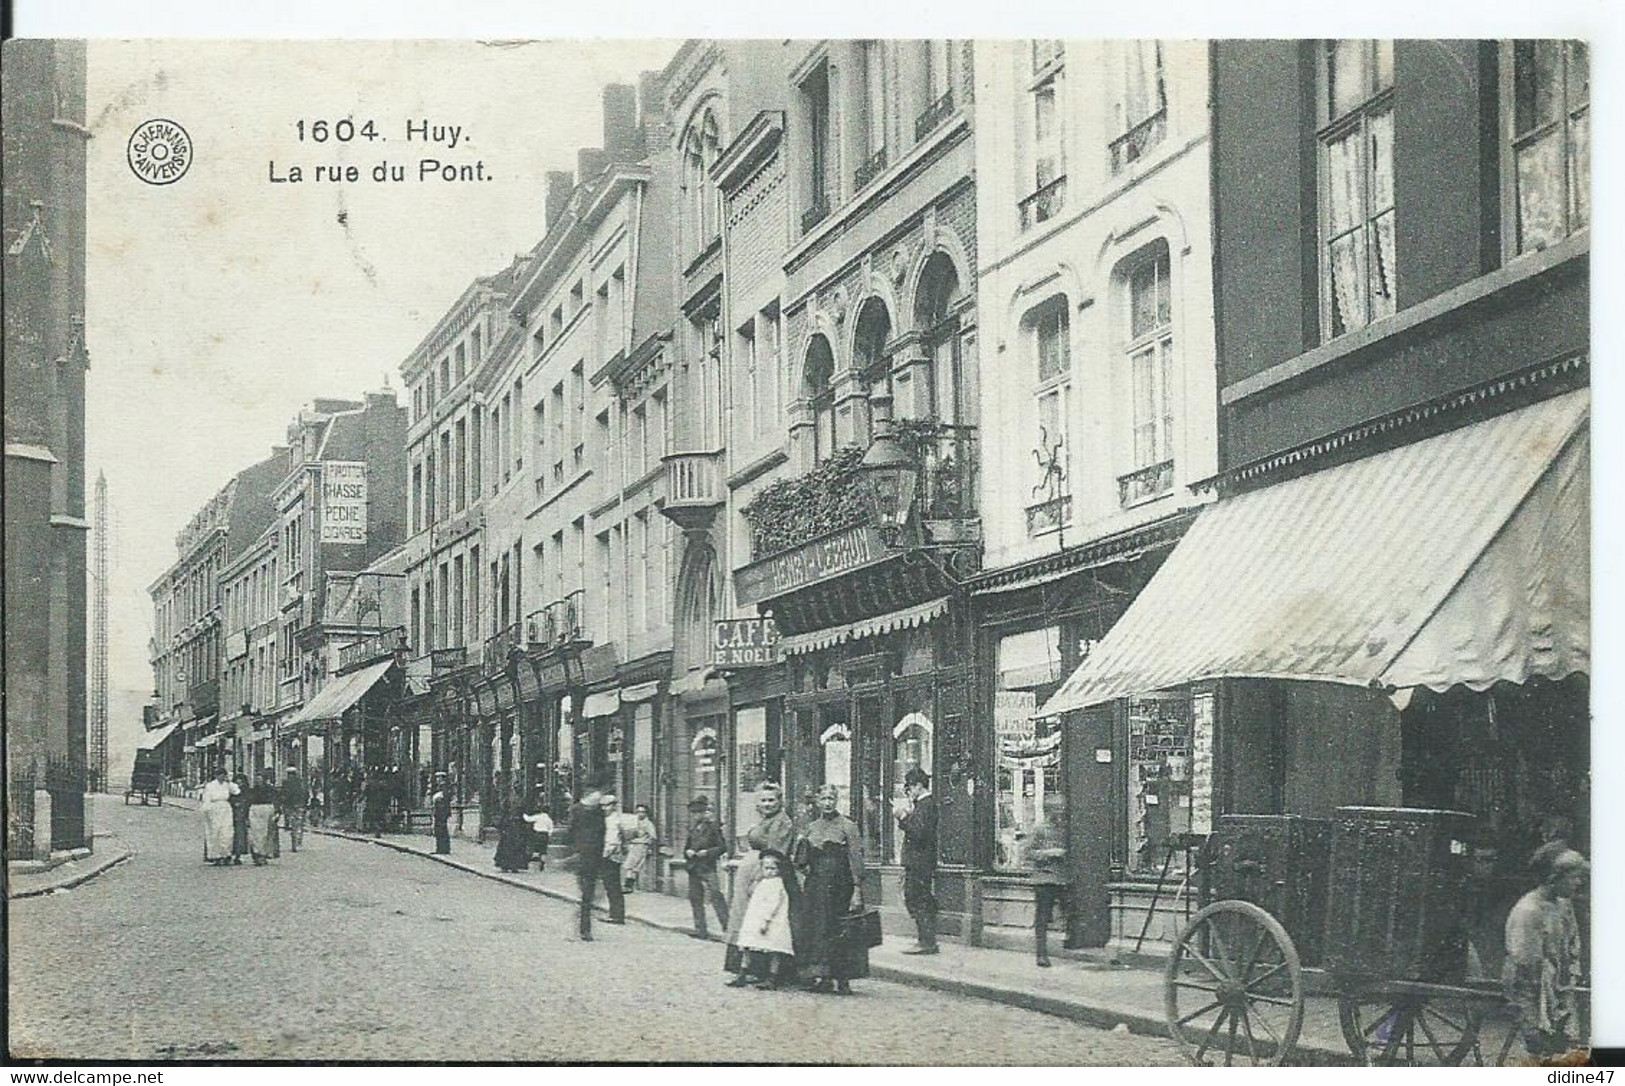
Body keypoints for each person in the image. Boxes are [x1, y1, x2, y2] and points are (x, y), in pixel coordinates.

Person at [1504, 844, 1588, 1059]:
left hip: (1556, 984)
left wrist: (1568, 977)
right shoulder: (1529, 910)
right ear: (1554, 877)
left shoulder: (1563, 905)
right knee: (1541, 1042)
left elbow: (1572, 945)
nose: (1578, 883)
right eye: (1573, 877)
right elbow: (1526, 962)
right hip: (1529, 987)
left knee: (1566, 1044)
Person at [797, 783, 869, 994]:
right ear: (818, 801)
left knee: (839, 932)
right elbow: (802, 860)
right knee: (818, 930)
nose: (827, 803)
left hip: (839, 887)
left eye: (831, 798)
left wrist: (857, 889)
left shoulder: (848, 826)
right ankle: (823, 976)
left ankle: (843, 979)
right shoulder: (811, 827)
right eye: (824, 799)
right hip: (816, 887)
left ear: (836, 800)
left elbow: (855, 858)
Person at [725, 784, 800, 978]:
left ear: (780, 801)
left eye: (771, 800)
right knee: (746, 919)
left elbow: (775, 854)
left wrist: (759, 879)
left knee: (765, 920)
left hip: (764, 877)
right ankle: (746, 967)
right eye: (763, 800)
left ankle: (764, 970)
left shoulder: (782, 822)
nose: (767, 804)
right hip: (751, 873)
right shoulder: (764, 820)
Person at [731, 852, 796, 989]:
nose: (769, 872)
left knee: (774, 949)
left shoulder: (777, 884)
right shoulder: (763, 882)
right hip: (755, 919)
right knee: (747, 945)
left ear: (779, 870)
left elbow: (773, 904)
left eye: (773, 869)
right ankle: (742, 973)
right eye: (766, 868)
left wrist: (766, 921)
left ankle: (772, 977)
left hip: (771, 922)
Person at [894, 767, 939, 955]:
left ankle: (926, 942)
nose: (909, 792)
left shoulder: (926, 804)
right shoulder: (925, 804)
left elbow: (919, 833)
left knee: (916, 899)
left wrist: (903, 818)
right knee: (919, 899)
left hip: (919, 862)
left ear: (919, 786)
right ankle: (926, 940)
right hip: (921, 862)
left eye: (910, 788)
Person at [682, 795, 730, 940]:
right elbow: (686, 848)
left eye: (699, 812)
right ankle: (700, 930)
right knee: (695, 898)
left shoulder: (713, 828)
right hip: (693, 867)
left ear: (704, 812)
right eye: (694, 813)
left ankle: (728, 929)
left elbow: (723, 847)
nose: (696, 816)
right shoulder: (692, 829)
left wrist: (707, 853)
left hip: (708, 867)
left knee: (716, 895)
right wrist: (687, 852)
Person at [566, 785, 609, 940]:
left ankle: (582, 925)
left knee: (588, 895)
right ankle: (584, 927)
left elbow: (571, 832)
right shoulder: (590, 812)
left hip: (590, 856)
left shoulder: (589, 812)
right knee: (587, 894)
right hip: (587, 857)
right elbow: (572, 832)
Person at [1027, 816, 1071, 967]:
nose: (1059, 814)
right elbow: (1029, 852)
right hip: (1044, 879)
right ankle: (1041, 954)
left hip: (1063, 879)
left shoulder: (1066, 830)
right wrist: (1051, 853)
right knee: (1043, 918)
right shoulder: (1040, 829)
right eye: (1055, 810)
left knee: (1071, 911)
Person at [598, 794, 631, 915]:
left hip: (611, 856)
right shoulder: (605, 819)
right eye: (602, 806)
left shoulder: (615, 820)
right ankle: (614, 913)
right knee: (609, 886)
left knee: (613, 886)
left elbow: (614, 841)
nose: (603, 808)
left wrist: (606, 853)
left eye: (606, 806)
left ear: (613, 806)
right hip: (606, 855)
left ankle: (617, 915)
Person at [200, 766, 239, 866]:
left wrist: (229, 782)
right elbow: (207, 798)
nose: (222, 777)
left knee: (227, 832)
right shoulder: (210, 786)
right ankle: (216, 856)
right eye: (219, 775)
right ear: (216, 776)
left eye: (223, 775)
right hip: (214, 809)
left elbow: (236, 791)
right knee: (215, 832)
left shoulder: (227, 785)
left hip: (225, 808)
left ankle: (226, 854)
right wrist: (207, 810)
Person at [621, 803, 658, 893]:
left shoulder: (648, 824)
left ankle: (628, 886)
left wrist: (647, 843)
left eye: (642, 812)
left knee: (632, 866)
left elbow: (653, 836)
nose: (640, 814)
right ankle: (628, 886)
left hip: (640, 846)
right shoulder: (634, 822)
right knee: (629, 866)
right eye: (638, 812)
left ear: (646, 813)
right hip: (632, 845)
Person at [494, 791, 534, 873]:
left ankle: (511, 865)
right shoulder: (514, 801)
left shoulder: (516, 801)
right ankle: (509, 865)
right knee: (512, 847)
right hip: (512, 828)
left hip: (514, 828)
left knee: (513, 847)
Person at [246, 768, 280, 865]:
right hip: (255, 810)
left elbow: (276, 800)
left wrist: (277, 812)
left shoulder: (271, 790)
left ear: (264, 779)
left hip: (268, 809)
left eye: (260, 778)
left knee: (267, 833)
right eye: (257, 778)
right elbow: (248, 801)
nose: (258, 780)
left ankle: (264, 854)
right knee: (256, 833)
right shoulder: (252, 790)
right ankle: (257, 853)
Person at [279, 767, 309, 852]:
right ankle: (297, 839)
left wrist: (282, 801)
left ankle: (289, 828)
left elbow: (283, 794)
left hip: (291, 805)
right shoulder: (300, 783)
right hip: (298, 805)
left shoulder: (285, 783)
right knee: (299, 823)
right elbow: (305, 793)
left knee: (292, 820)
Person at [229, 772, 252, 865]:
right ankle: (228, 854)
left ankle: (238, 855)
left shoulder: (247, 792)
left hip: (241, 816)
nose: (239, 784)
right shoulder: (231, 791)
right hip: (230, 815)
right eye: (237, 782)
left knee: (240, 836)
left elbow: (249, 803)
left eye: (241, 782)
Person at [430, 772, 452, 855]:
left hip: (441, 813)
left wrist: (443, 814)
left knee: (441, 831)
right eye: (436, 778)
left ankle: (443, 849)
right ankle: (440, 848)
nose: (437, 779)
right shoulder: (440, 787)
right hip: (439, 812)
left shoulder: (444, 787)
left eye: (438, 778)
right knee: (439, 831)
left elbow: (445, 801)